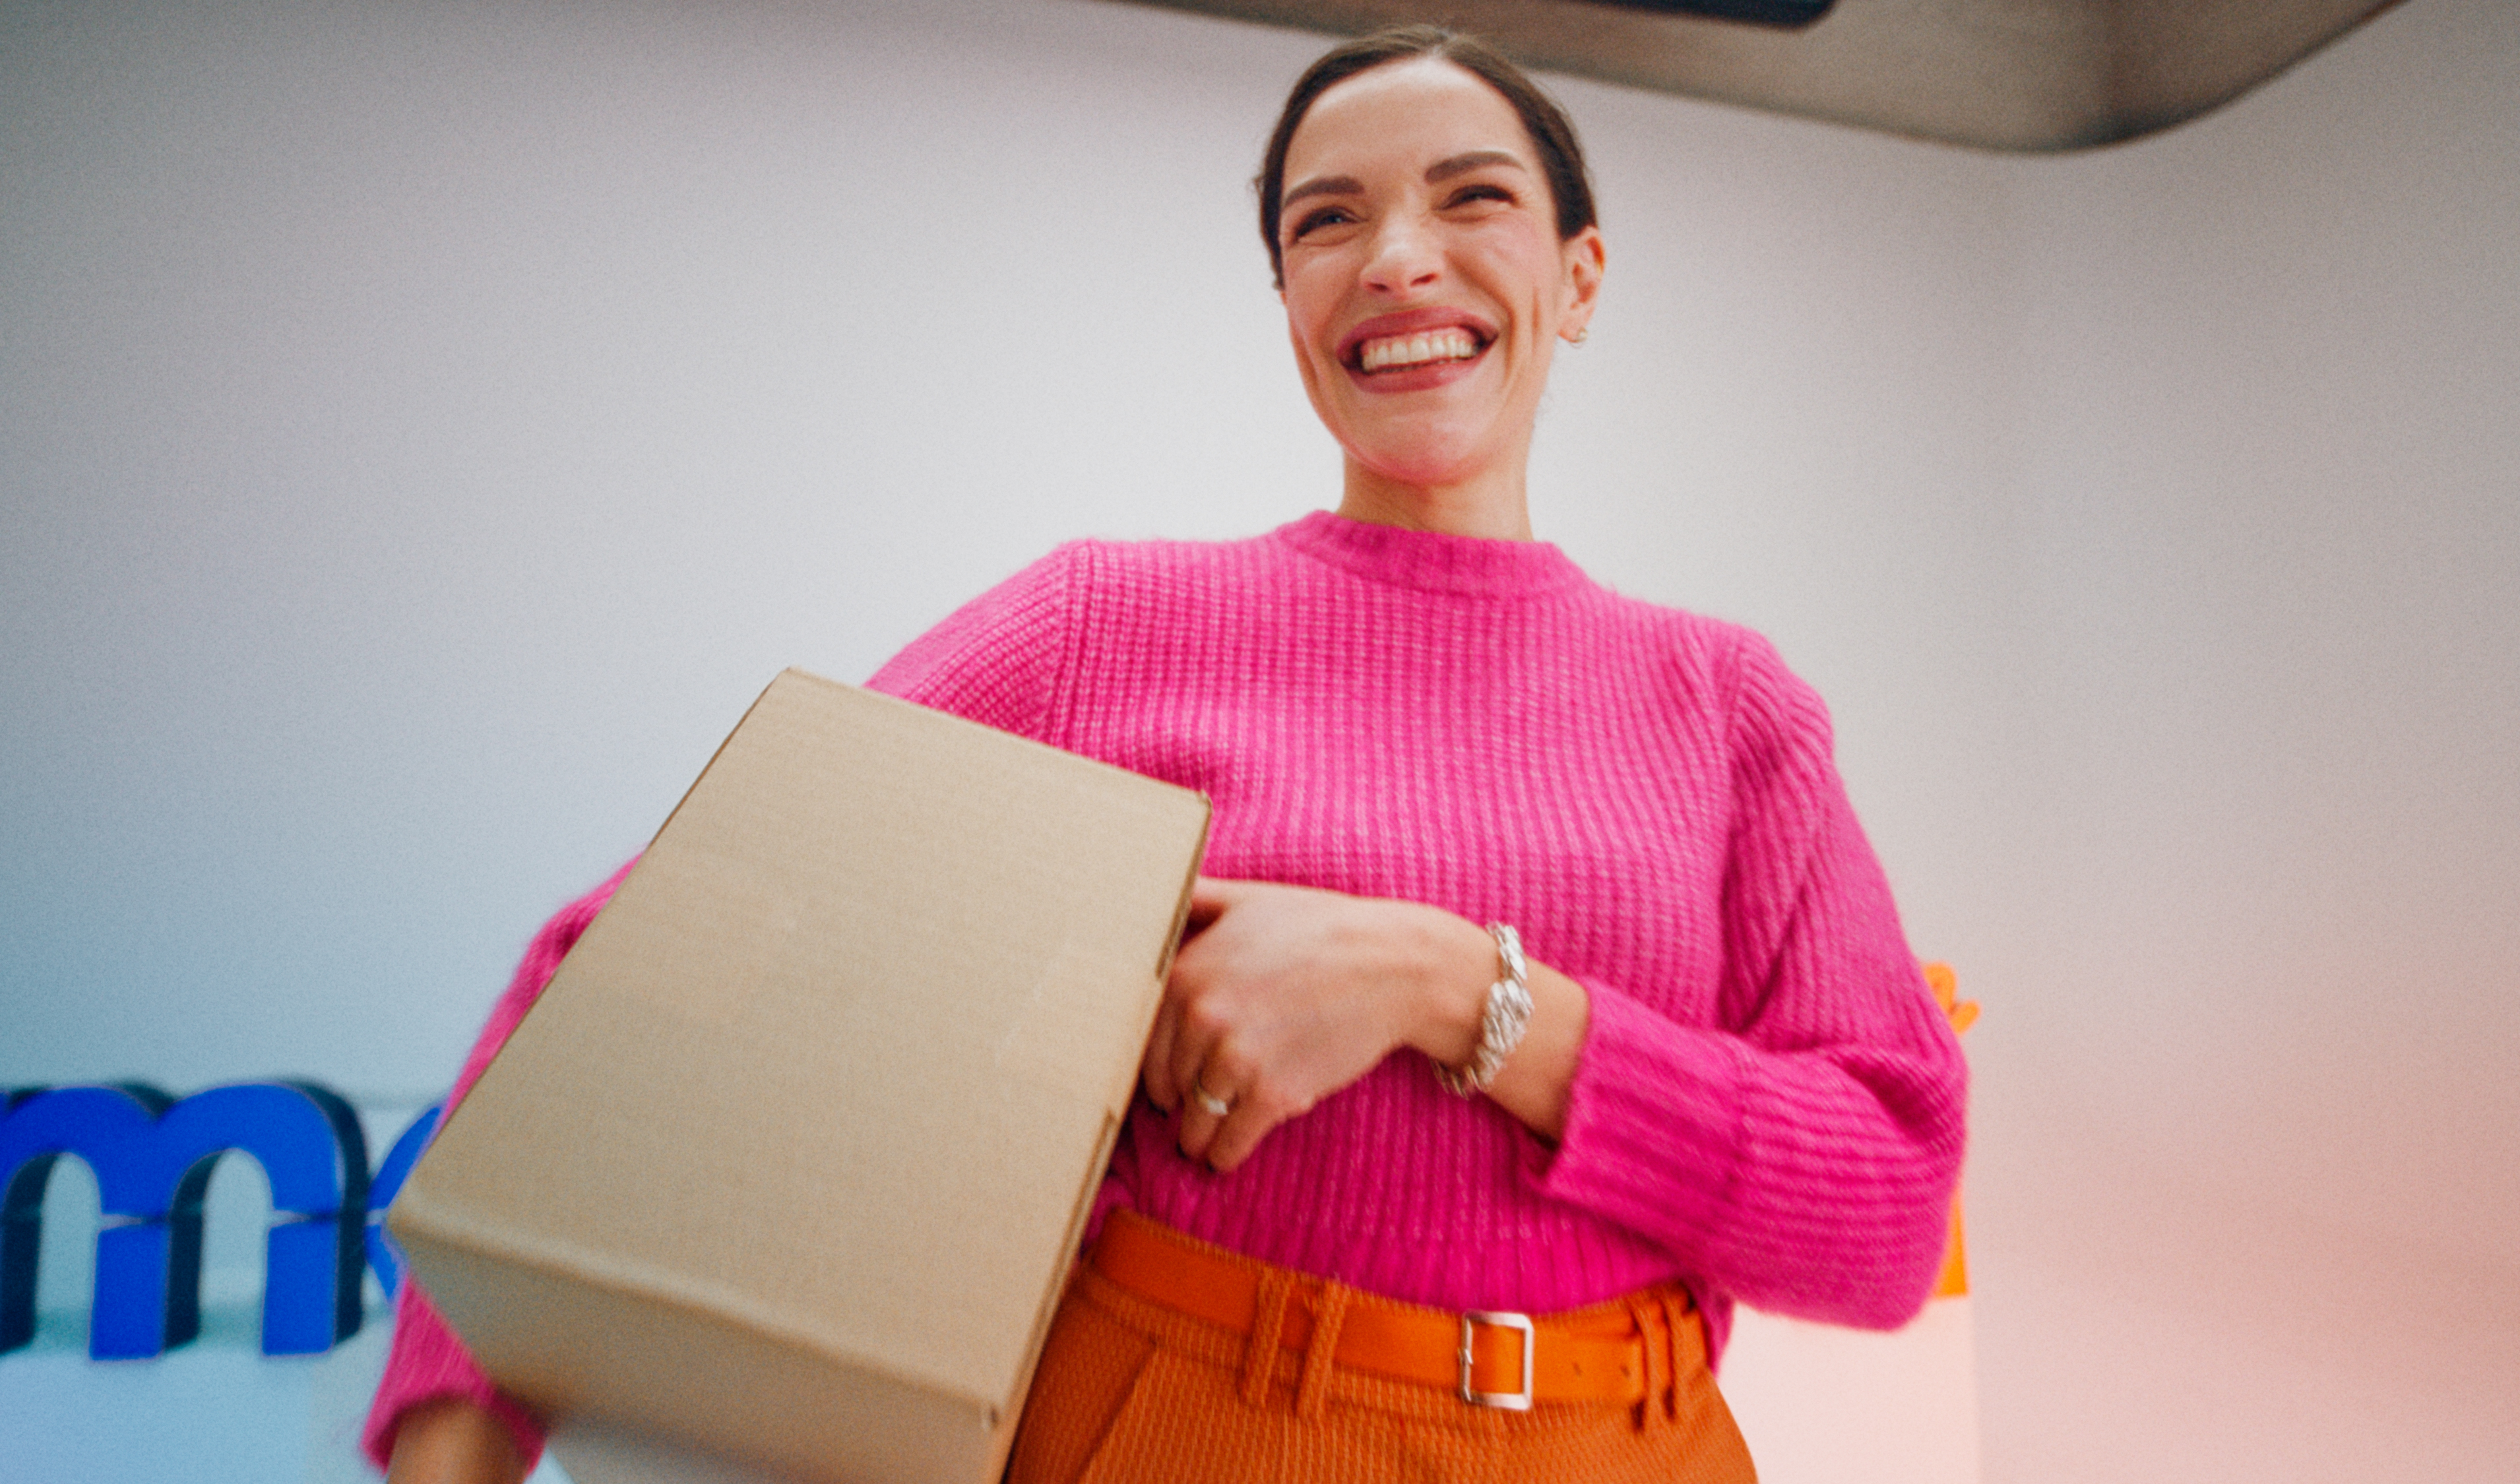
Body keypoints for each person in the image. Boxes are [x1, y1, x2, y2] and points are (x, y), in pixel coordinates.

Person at [369, 25, 1967, 1484]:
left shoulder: (1725, 705)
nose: (1397, 260)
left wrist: (1453, 990)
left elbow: (1886, 1212)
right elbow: (635, 959)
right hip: (1180, 1423)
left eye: (1467, 199)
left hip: (1638, 1446)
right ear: (1286, 301)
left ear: (1581, 273)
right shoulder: (1101, 628)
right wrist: (458, 1446)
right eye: (1325, 221)